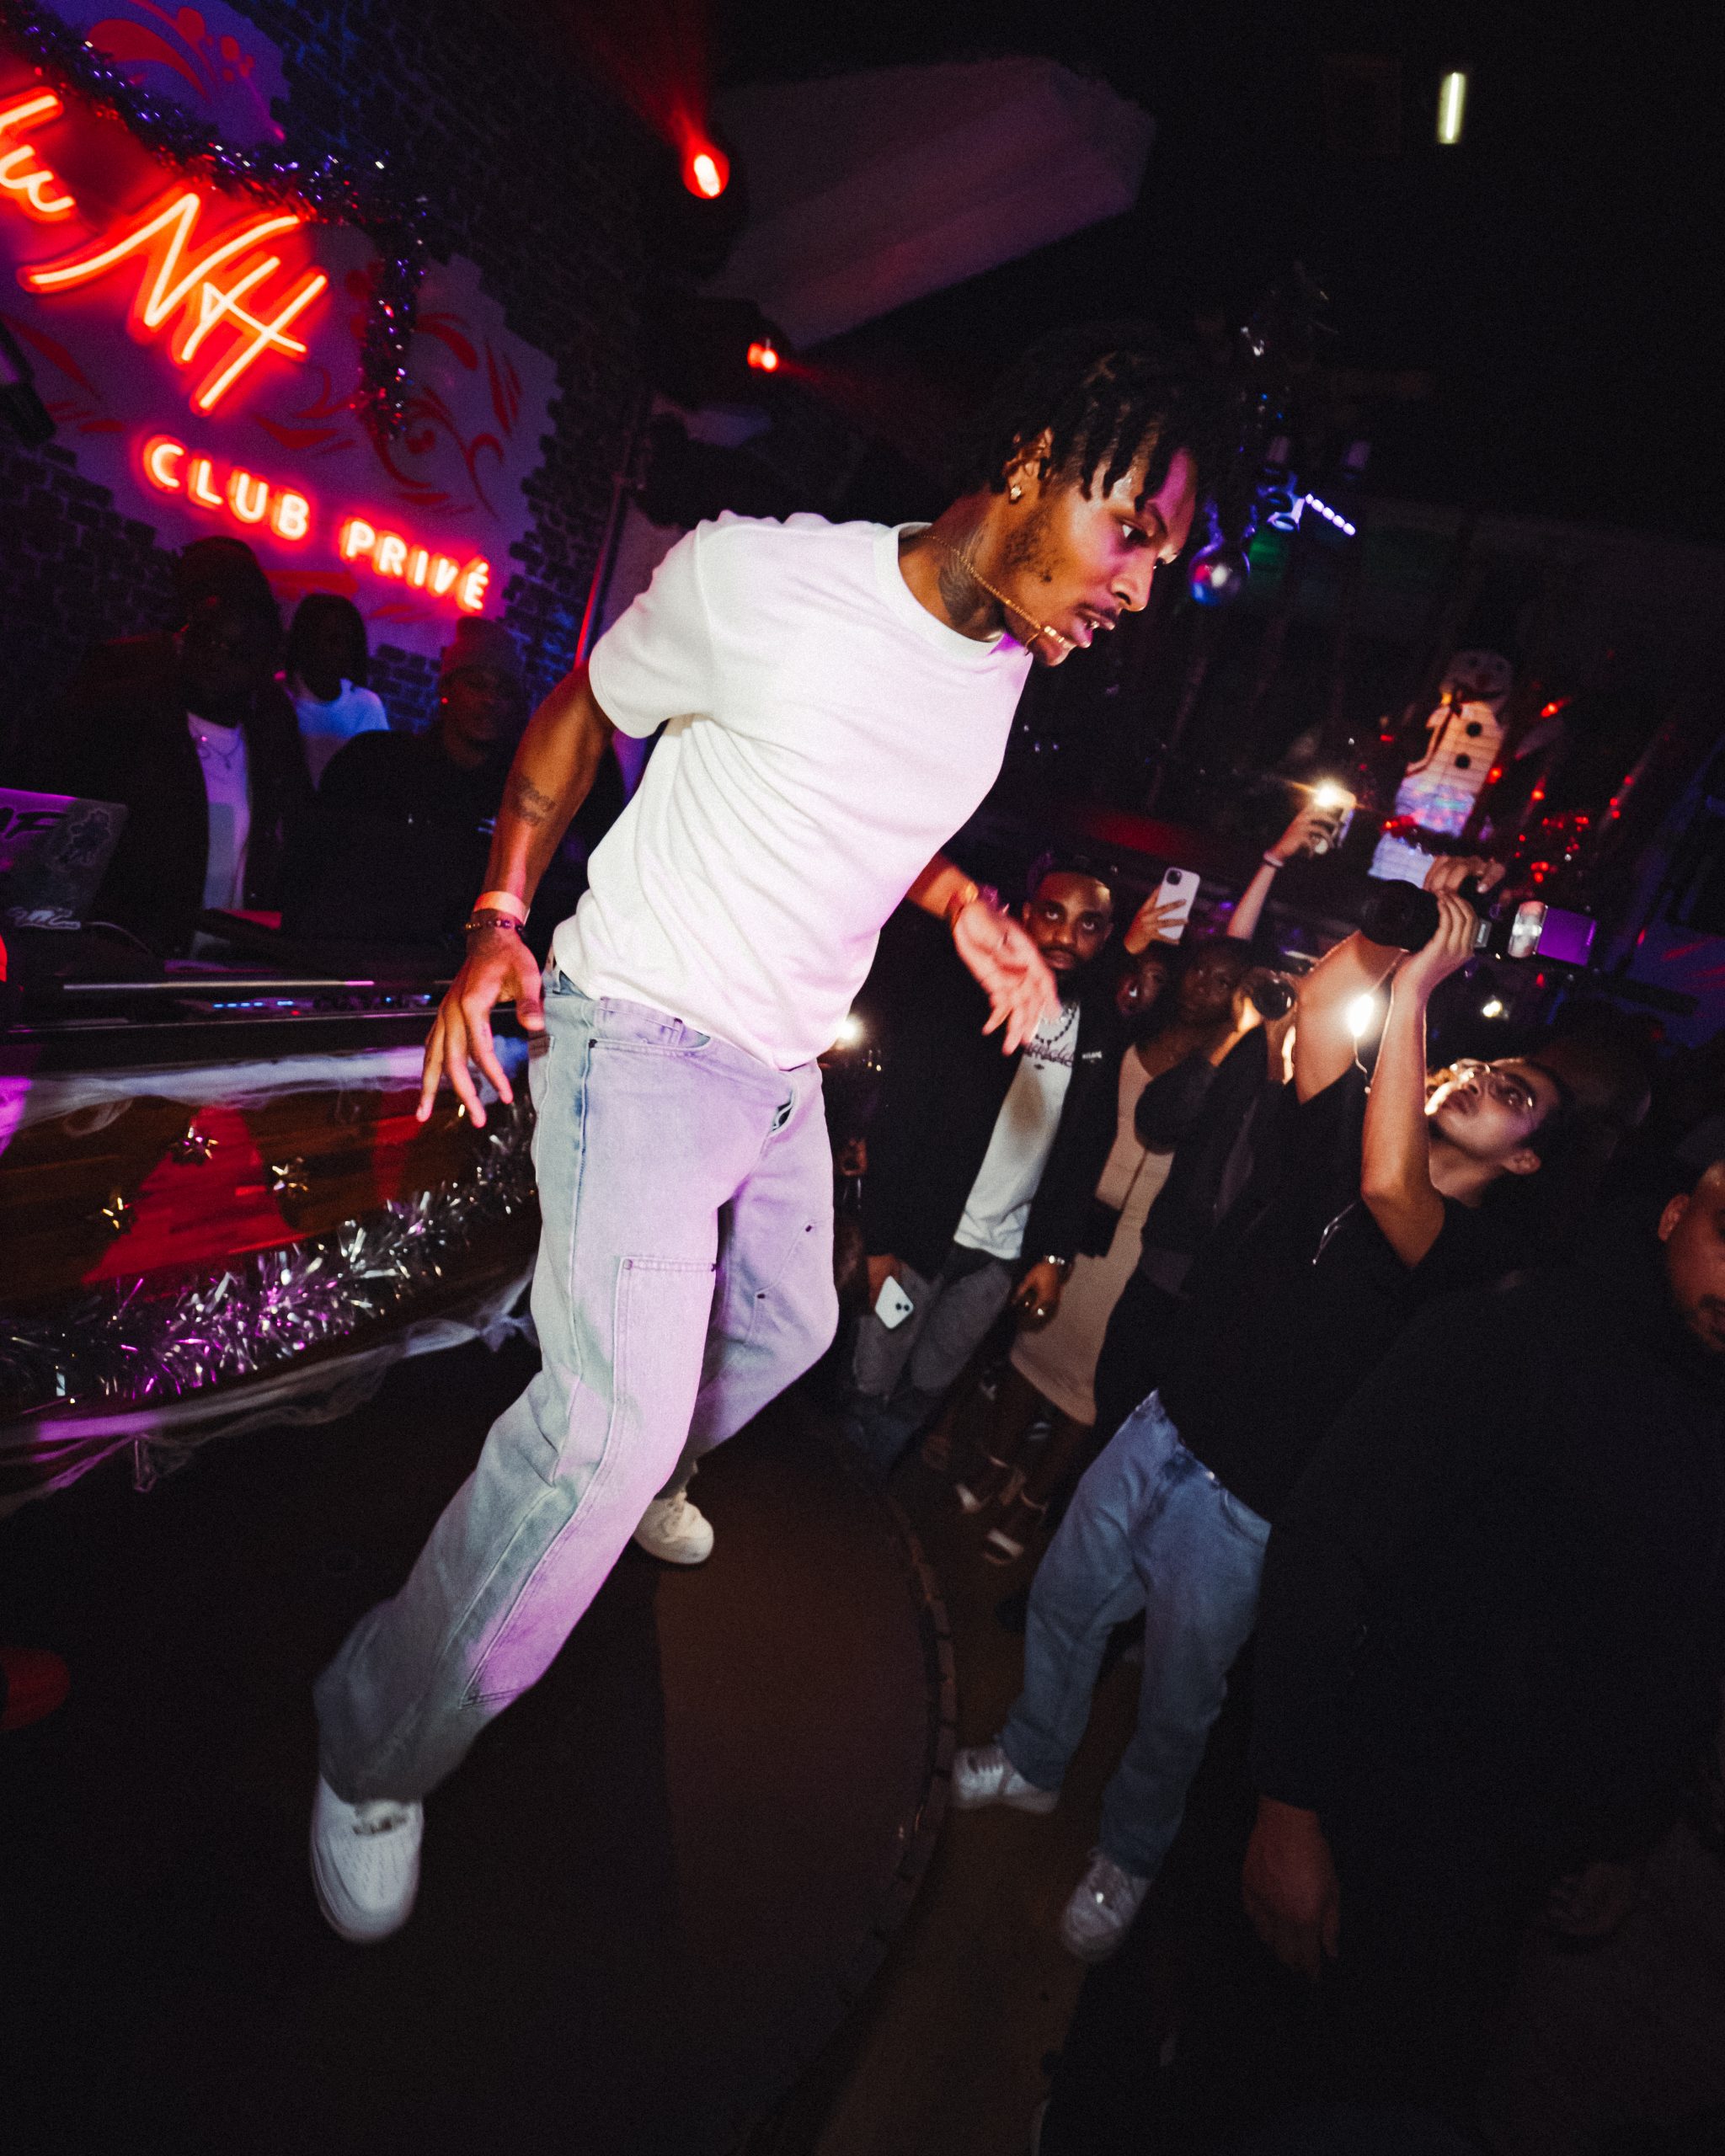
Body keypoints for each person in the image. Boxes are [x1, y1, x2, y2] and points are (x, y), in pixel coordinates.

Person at [307, 324, 1221, 1944]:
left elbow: (857, 797)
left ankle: (644, 1430)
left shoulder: (1004, 661)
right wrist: (499, 914)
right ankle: (373, 1744)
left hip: (781, 1064)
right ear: (1029, 466)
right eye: (1131, 532)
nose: (1141, 588)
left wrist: (961, 903)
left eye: (1164, 558)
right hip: (644, 1023)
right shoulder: (758, 578)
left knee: (790, 1331)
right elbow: (578, 716)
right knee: (600, 1444)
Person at [951, 856, 1583, 1963]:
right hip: (1166, 1422)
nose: (1482, 1082)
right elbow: (1332, 1008)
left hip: (1251, 1505)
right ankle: (1034, 1759)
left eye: (1513, 1095)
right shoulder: (1343, 1137)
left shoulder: (1476, 1257)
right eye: (1482, 1066)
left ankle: (1129, 1855)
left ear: (1525, 1160)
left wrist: (1420, 992)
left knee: (1174, 1709)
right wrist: (1401, 928)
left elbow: (1394, 1188)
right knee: (1061, 1602)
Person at [1241, 1158, 1725, 2129]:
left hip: (1506, 1870)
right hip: (1369, 1810)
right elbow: (1327, 1541)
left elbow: (1682, 1649)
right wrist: (1285, 1805)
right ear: (1674, 1215)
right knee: (1245, 2062)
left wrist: (1622, 1837)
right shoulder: (1526, 1327)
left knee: (1385, 2092)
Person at [963, 802, 1332, 1561]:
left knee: (1086, 1382)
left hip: (1140, 1241)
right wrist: (1269, 859)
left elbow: (1190, 1125)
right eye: (1199, 969)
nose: (1206, 983)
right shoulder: (1131, 1024)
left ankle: (1030, 1504)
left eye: (1225, 979)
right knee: (1031, 1350)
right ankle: (994, 1464)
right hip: (1076, 1212)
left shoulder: (1234, 1066)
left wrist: (1254, 1025)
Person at [840, 862, 1124, 1478]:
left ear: (1106, 937)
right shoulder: (972, 988)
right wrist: (880, 1241)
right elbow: (902, 1113)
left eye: (1088, 925)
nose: (1065, 936)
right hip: (918, 1238)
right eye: (1053, 914)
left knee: (929, 1384)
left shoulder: (1100, 1027)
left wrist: (1052, 1256)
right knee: (871, 1375)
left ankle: (874, 1488)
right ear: (1026, 913)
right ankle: (838, 1495)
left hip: (997, 1261)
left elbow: (1084, 1150)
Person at [30, 538, 309, 954]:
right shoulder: (128, 702)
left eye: (236, 650)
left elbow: (291, 836)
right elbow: (64, 831)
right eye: (207, 638)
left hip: (228, 966)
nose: (217, 657)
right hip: (129, 956)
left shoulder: (269, 723)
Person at [285, 617, 539, 947]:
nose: (490, 700)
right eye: (477, 684)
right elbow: (314, 864)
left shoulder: (517, 796)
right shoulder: (377, 763)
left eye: (504, 691)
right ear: (446, 688)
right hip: (364, 952)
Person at [284, 593, 388, 784]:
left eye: (350, 642)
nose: (343, 651)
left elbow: (382, 776)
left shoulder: (367, 706)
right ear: (307, 641)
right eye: (333, 640)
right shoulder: (278, 699)